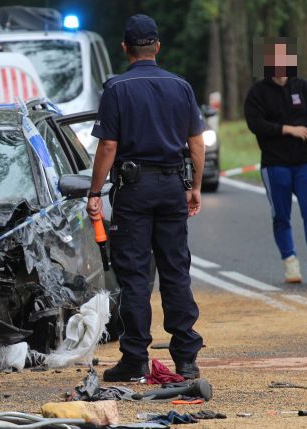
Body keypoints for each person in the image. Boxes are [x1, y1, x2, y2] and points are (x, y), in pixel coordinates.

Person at [87, 14, 205, 382]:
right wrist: (194, 186)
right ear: (157, 47)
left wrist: (94, 191)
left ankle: (135, 357)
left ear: (124, 48)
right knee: (175, 271)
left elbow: (108, 145)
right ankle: (186, 358)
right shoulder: (181, 86)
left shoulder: (117, 89)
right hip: (172, 187)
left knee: (135, 275)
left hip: (134, 190)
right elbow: (196, 142)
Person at [244, 40, 307, 284]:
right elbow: (255, 124)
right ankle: (290, 264)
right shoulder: (257, 93)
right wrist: (288, 129)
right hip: (275, 164)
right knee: (281, 216)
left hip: (305, 163)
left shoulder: (303, 87)